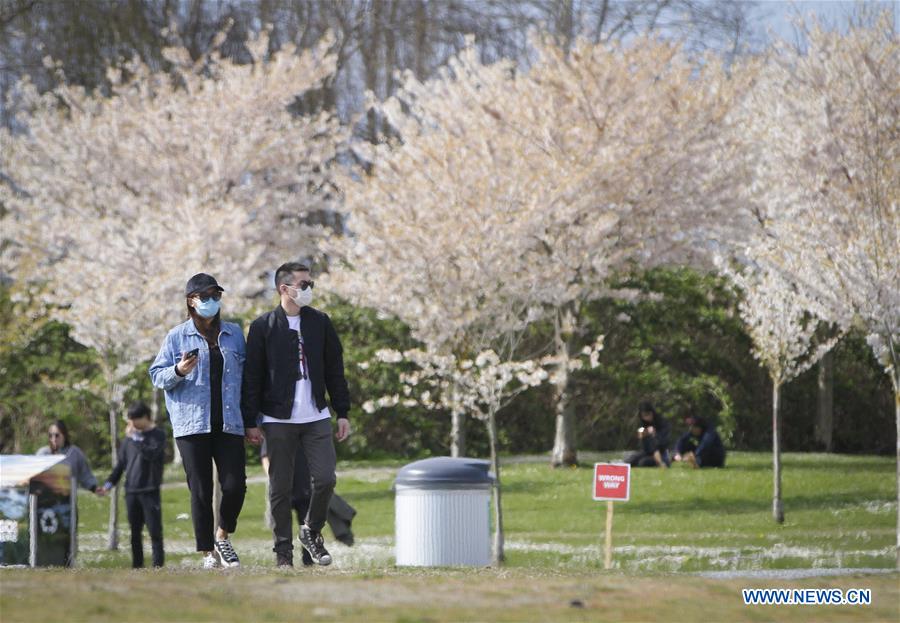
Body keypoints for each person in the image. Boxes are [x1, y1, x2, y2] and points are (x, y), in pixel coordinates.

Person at [243, 262, 351, 568]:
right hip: (277, 419)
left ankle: (311, 531)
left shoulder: (320, 322)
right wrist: (251, 420)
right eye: (303, 285)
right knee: (280, 489)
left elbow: (335, 370)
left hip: (316, 415)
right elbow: (252, 377)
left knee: (326, 479)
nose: (308, 290)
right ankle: (283, 554)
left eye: (310, 285)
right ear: (284, 288)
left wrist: (342, 411)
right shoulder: (263, 327)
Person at [149, 273, 261, 569]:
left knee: (235, 485)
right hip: (191, 424)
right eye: (205, 296)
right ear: (191, 301)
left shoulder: (235, 333)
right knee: (199, 490)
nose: (212, 301)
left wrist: (252, 420)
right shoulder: (176, 336)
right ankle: (207, 552)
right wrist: (180, 370)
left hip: (230, 422)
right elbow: (156, 376)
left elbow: (249, 380)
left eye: (216, 296)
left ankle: (222, 535)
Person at [259, 435, 357, 567]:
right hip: (283, 490)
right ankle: (284, 559)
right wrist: (274, 478)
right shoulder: (279, 429)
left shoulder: (309, 432)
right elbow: (266, 457)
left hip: (305, 489)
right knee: (282, 526)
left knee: (308, 528)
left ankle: (309, 561)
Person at [99, 402, 167, 568]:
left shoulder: (158, 435)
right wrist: (108, 484)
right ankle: (137, 566)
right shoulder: (128, 440)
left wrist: (136, 439)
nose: (131, 425)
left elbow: (151, 454)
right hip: (131, 491)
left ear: (145, 417)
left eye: (134, 420)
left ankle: (158, 566)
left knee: (154, 532)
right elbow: (121, 465)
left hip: (150, 490)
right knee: (135, 533)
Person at [37, 420, 102, 494]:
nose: (53, 439)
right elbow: (33, 476)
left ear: (64, 435)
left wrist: (94, 488)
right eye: (50, 435)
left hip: (67, 502)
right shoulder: (43, 454)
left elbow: (85, 475)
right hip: (45, 501)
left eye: (57, 435)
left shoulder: (74, 453)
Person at [624, 402, 671, 468]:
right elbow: (642, 444)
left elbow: (664, 441)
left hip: (660, 453)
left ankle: (660, 463)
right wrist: (643, 436)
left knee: (643, 462)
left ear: (652, 413)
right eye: (643, 416)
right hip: (647, 452)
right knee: (630, 460)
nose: (646, 418)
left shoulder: (662, 423)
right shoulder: (643, 425)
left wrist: (654, 435)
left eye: (647, 415)